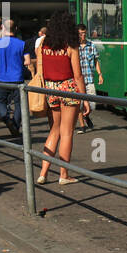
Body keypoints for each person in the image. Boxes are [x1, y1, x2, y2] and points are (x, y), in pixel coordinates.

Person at [35, 11, 87, 185]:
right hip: (68, 89)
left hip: (51, 89)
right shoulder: (71, 45)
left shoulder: (44, 44)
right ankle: (64, 175)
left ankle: (43, 173)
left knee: (54, 130)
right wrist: (84, 98)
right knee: (67, 132)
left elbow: (40, 68)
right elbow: (78, 75)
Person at [0, 21, 30, 135]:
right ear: (16, 28)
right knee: (19, 104)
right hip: (18, 78)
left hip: (2, 78)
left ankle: (7, 119)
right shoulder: (22, 43)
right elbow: (27, 61)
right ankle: (15, 127)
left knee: (1, 102)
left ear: (3, 28)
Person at [77, 25, 103, 133]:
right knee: (79, 104)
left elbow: (96, 60)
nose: (83, 36)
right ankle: (82, 126)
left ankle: (86, 116)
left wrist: (100, 74)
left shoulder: (91, 45)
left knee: (92, 104)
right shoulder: (74, 47)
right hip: (78, 80)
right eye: (80, 34)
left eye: (84, 33)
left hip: (89, 79)